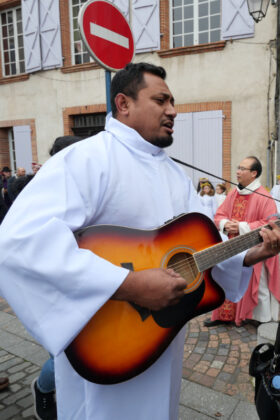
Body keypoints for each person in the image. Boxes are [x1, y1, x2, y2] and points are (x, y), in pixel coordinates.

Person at [0, 63, 279, 420]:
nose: (173, 110)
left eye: (173, 101)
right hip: (106, 340)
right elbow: (20, 241)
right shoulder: (86, 159)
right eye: (161, 100)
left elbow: (201, 245)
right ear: (124, 103)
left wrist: (253, 251)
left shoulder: (174, 174)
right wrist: (128, 284)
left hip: (158, 340)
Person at [204, 156, 280, 328]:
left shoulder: (264, 197)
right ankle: (222, 316)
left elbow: (270, 224)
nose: (237, 171)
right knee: (223, 278)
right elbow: (219, 215)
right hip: (230, 246)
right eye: (238, 167)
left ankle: (256, 317)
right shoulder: (233, 193)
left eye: (242, 169)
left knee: (257, 284)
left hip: (254, 248)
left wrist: (242, 227)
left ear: (253, 173)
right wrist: (225, 224)